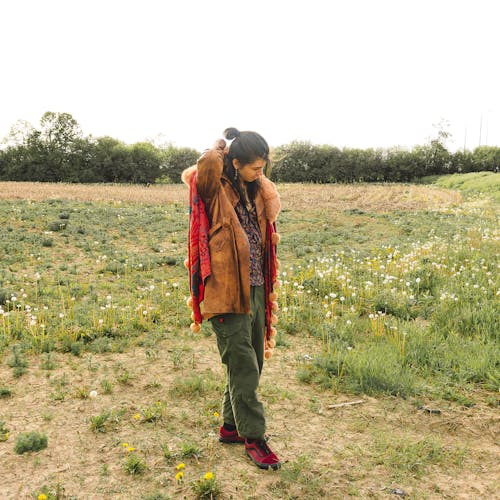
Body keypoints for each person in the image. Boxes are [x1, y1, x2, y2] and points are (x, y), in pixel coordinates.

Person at [182, 127, 282, 470]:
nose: (261, 173)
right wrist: (220, 145)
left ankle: (230, 427)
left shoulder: (255, 191)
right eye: (255, 167)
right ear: (235, 163)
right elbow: (208, 162)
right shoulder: (214, 188)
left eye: (263, 167)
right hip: (225, 293)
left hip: (253, 290)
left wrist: (255, 176)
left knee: (251, 363)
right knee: (243, 368)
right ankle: (254, 438)